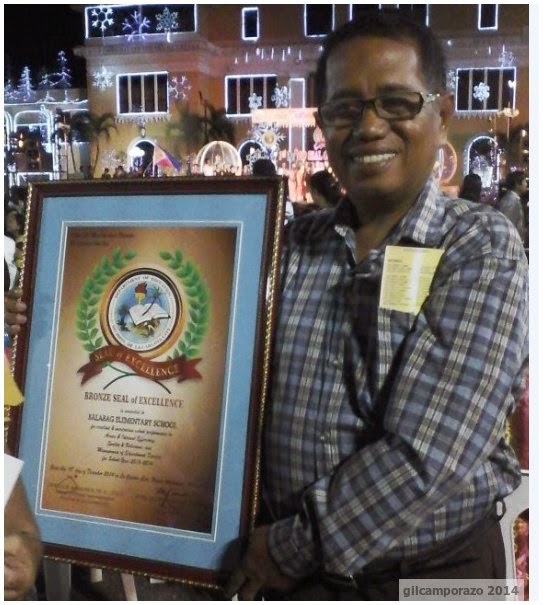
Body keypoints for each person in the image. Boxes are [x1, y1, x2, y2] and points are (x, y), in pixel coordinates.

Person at [227, 11, 528, 601]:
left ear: (441, 115)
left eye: (396, 102)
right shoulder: (287, 246)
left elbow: (428, 454)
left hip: (436, 577)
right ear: (323, 124)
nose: (368, 127)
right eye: (345, 108)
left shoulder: (478, 245)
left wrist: (287, 548)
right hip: (295, 581)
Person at [497, 170, 528, 242]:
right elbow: (507, 226)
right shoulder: (511, 201)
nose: (526, 184)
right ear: (517, 184)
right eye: (524, 181)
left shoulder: (512, 199)